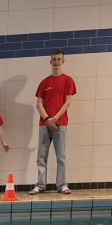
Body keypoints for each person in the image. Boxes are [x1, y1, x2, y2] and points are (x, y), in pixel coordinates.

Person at [33, 51, 76, 194]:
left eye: (59, 59)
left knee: (61, 156)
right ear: (50, 62)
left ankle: (62, 185)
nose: (56, 62)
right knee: (41, 157)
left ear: (63, 61)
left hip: (60, 123)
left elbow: (67, 102)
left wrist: (55, 119)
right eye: (54, 59)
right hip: (44, 124)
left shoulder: (68, 80)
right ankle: (40, 185)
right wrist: (47, 119)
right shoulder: (44, 82)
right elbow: (39, 104)